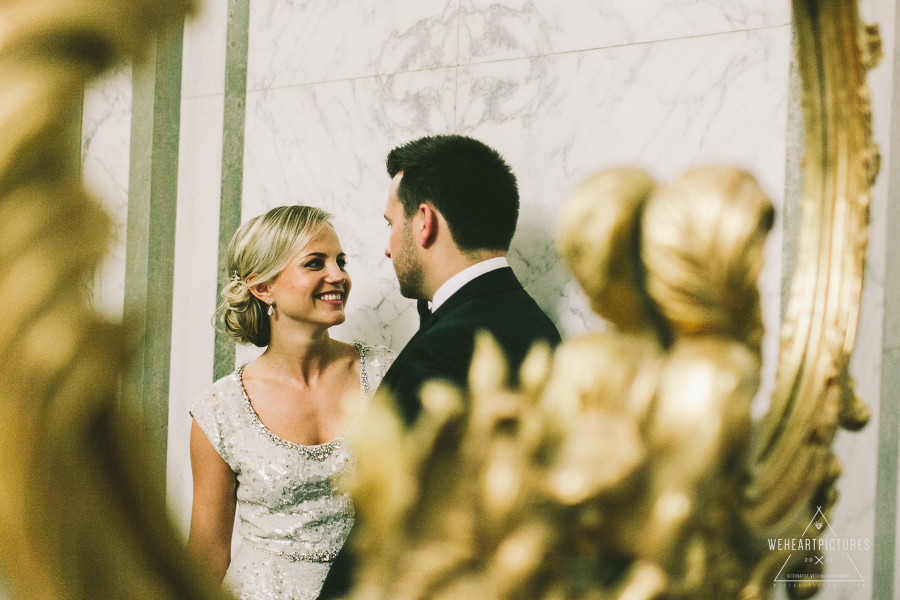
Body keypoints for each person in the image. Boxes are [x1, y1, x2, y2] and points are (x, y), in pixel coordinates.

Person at [318, 134, 561, 598]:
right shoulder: (535, 325)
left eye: (391, 223)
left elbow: (397, 529)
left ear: (424, 222)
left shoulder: (446, 347)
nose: (388, 248)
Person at [187, 206, 395, 600]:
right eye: (315, 263)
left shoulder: (388, 375)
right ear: (263, 288)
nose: (338, 276)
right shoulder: (220, 411)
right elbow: (207, 556)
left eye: (341, 261)